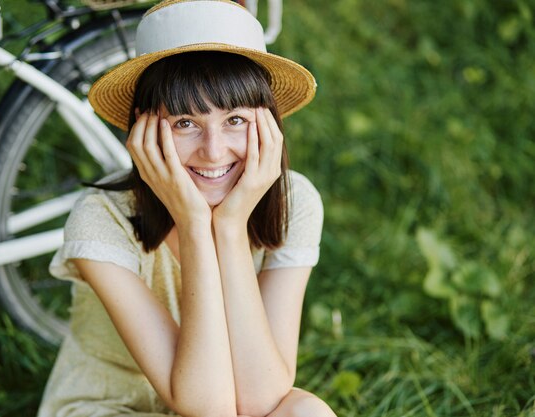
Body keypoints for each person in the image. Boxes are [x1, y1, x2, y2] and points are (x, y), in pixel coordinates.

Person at [38, 0, 336, 416]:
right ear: (144, 129)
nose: (213, 152)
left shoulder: (294, 202)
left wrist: (230, 228)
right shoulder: (101, 220)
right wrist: (195, 224)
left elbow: (263, 397)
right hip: (114, 407)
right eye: (185, 123)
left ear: (267, 124)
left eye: (234, 120)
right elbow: (206, 405)